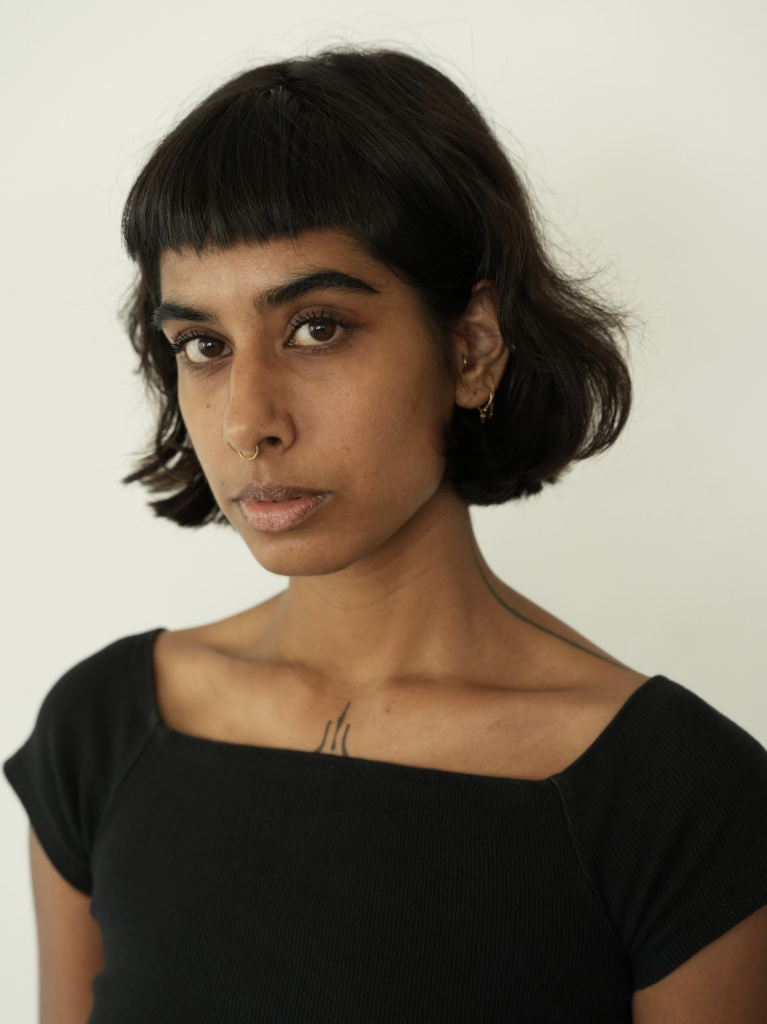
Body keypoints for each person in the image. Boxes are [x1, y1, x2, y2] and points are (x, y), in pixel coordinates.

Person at [4, 45, 767, 1024]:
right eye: (203, 344)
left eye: (316, 327)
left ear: (471, 346)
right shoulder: (102, 733)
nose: (246, 420)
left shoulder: (676, 799)